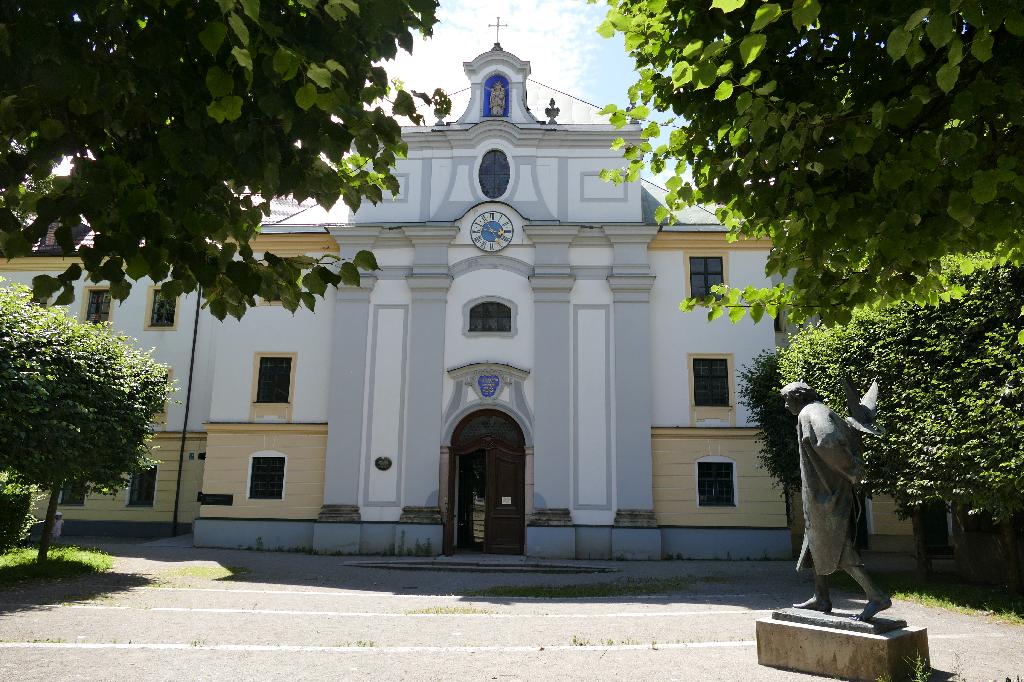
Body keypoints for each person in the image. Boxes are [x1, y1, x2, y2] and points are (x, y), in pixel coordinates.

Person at [780, 380, 891, 621]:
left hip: (828, 494)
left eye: (787, 399)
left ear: (798, 398)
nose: (786, 404)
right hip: (821, 493)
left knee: (837, 546)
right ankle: (821, 597)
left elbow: (828, 441)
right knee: (814, 542)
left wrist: (851, 469)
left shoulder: (810, 412)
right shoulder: (822, 410)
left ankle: (876, 596)